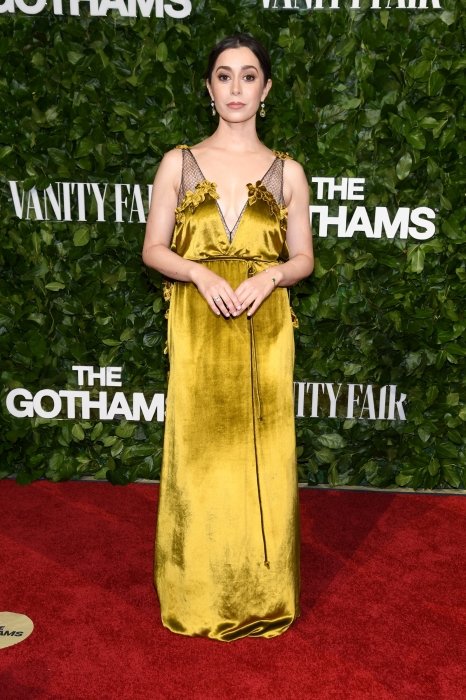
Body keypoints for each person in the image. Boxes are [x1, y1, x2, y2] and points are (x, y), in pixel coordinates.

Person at [142, 33, 314, 641]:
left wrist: (270, 275)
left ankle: (265, 591)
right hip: (199, 320)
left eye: (248, 76)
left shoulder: (289, 171)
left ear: (266, 90)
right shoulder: (179, 162)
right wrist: (198, 271)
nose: (235, 87)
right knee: (199, 456)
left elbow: (303, 259)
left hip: (266, 325)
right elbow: (153, 249)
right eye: (224, 75)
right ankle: (196, 591)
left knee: (265, 455)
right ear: (208, 88)